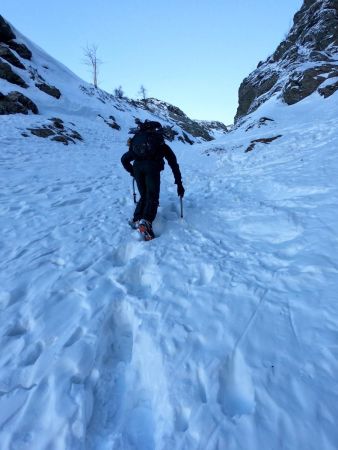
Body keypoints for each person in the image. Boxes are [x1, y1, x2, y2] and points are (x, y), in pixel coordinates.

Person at [121, 120, 185, 240]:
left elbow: (124, 159)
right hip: (152, 169)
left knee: (144, 195)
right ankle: (146, 222)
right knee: (152, 196)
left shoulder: (136, 144)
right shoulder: (161, 144)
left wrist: (133, 172)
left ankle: (137, 219)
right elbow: (173, 164)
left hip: (138, 169)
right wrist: (179, 183)